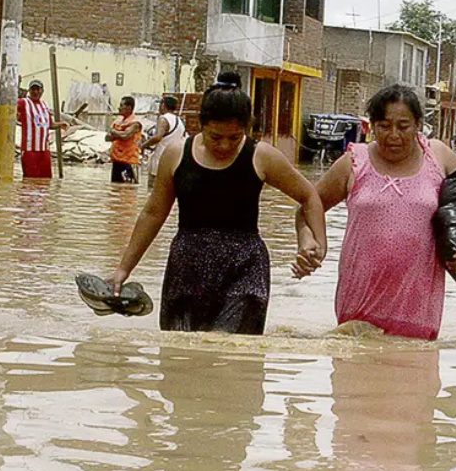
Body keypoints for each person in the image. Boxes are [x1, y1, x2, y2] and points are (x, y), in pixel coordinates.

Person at [106, 71, 327, 335]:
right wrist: (123, 269)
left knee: (234, 356)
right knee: (180, 356)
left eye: (234, 138)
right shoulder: (177, 155)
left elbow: (309, 196)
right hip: (187, 266)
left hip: (245, 268)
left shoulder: (262, 156)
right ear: (201, 125)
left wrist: (319, 244)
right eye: (215, 137)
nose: (224, 145)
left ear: (247, 128)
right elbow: (153, 213)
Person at [293, 84, 456, 341]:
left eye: (403, 126)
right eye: (384, 126)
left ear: (418, 125)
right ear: (372, 126)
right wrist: (310, 241)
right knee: (353, 373)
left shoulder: (438, 157)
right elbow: (308, 206)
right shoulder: (354, 162)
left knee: (416, 373)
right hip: (359, 298)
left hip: (418, 304)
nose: (393, 135)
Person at [16, 80, 67, 179]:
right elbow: (10, 107)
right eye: (33, 89)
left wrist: (60, 124)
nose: (35, 92)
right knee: (30, 181)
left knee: (46, 180)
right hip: (29, 150)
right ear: (29, 91)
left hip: (44, 150)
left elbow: (49, 124)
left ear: (42, 91)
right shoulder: (23, 102)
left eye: (38, 89)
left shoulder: (44, 105)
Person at [141, 96, 186, 188]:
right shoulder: (179, 121)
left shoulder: (163, 119)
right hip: (175, 162)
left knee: (153, 193)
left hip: (160, 162)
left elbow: (157, 137)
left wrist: (143, 146)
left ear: (163, 105)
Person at [107, 96, 143, 184]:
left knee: (128, 192)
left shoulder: (135, 123)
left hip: (129, 162)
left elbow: (125, 135)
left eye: (121, 105)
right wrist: (118, 133)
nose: (119, 108)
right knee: (115, 189)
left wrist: (114, 132)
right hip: (117, 161)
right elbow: (107, 137)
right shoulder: (118, 121)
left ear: (129, 108)